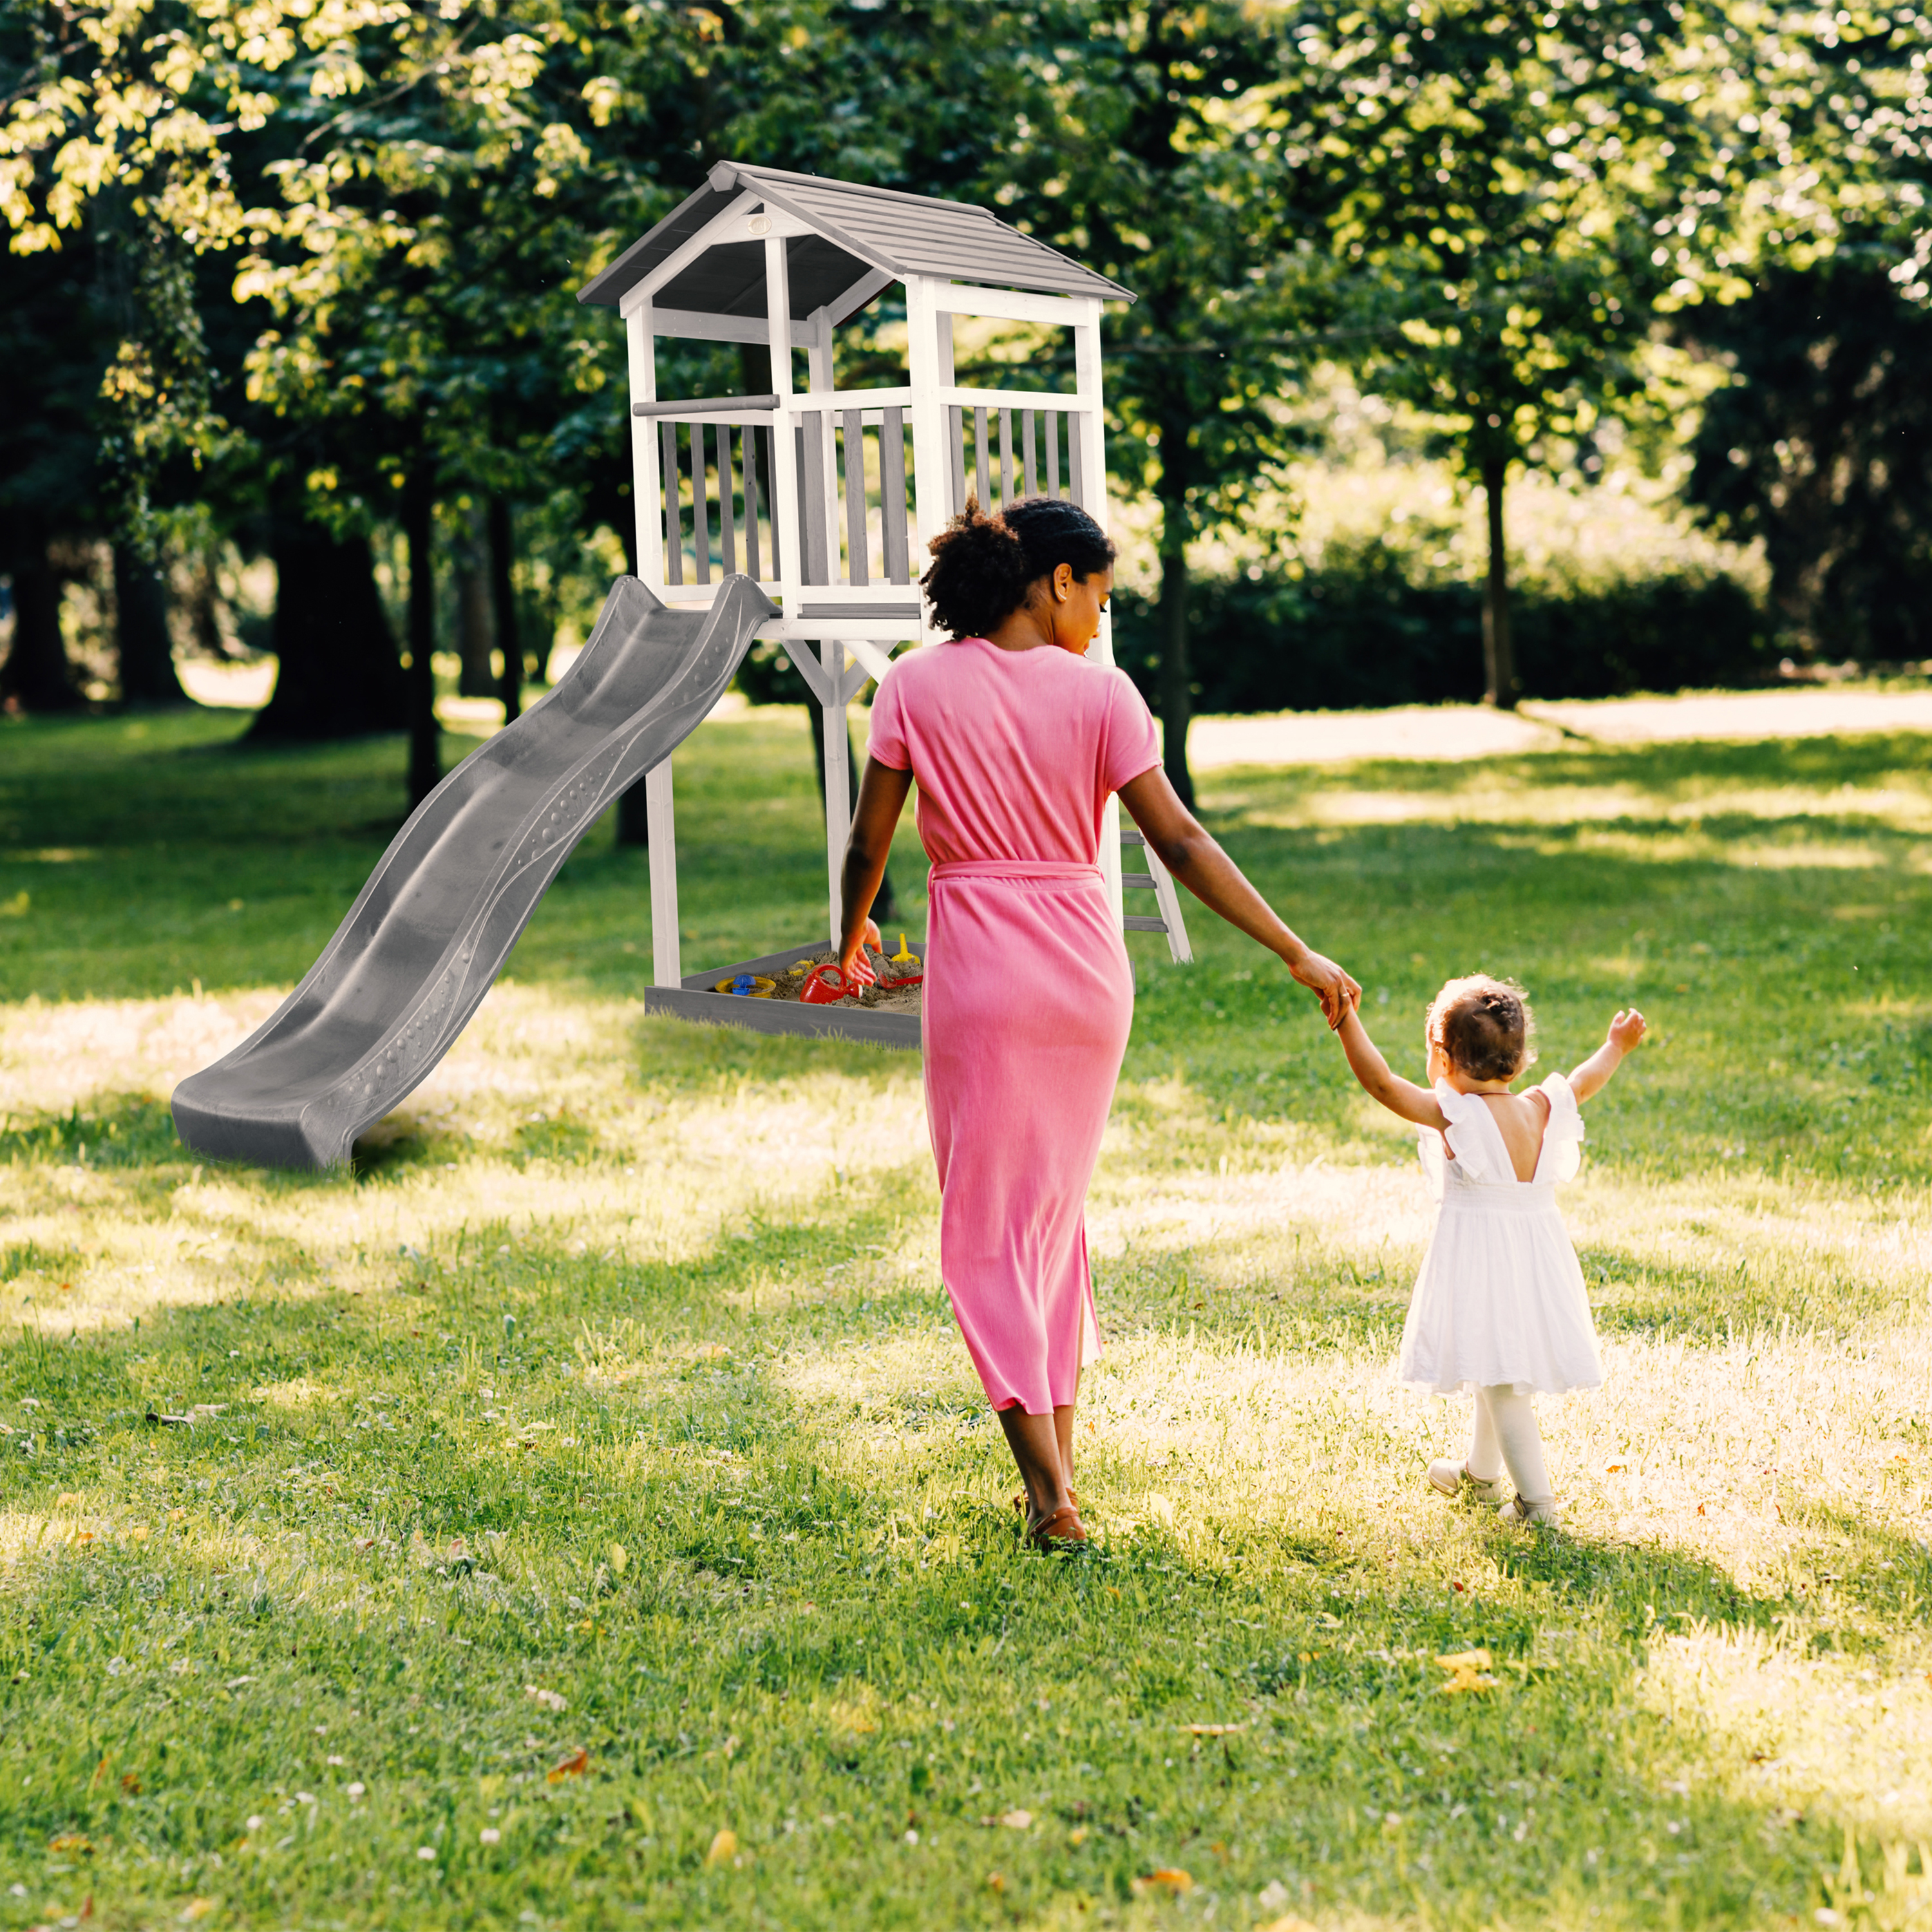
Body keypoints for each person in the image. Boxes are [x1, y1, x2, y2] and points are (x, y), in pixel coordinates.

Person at [835, 497, 1360, 1549]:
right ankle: (1058, 1479)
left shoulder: (912, 685)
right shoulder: (1105, 695)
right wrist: (1293, 948)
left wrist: (849, 941)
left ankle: (1050, 1498)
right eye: (1101, 599)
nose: (1100, 621)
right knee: (1048, 1222)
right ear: (1057, 581)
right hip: (1086, 978)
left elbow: (867, 844)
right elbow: (1183, 842)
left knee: (986, 1234)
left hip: (983, 979)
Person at [1331, 973, 1647, 1526]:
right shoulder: (1541, 1106)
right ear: (1519, 1061)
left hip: (1485, 1265)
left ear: (1443, 1058)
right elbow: (1584, 1080)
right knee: (1491, 1363)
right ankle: (1480, 1476)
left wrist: (1345, 1020)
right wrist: (1615, 1047)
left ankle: (1537, 1506)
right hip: (1535, 1263)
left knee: (1503, 1385)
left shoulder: (1456, 1115)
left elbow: (1381, 1083)